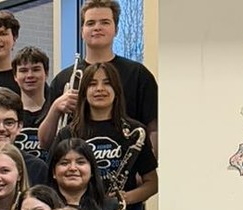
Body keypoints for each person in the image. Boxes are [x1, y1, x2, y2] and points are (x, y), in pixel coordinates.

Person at [43, 0, 158, 155]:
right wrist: (56, 107)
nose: (97, 27)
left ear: (116, 29)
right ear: (82, 31)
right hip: (75, 172)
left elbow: (154, 129)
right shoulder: (63, 79)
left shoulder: (138, 74)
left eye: (104, 22)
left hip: (127, 171)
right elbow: (44, 142)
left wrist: (146, 167)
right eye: (90, 23)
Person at [49, 62, 158, 206]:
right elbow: (51, 179)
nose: (100, 89)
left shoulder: (135, 133)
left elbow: (152, 183)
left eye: (107, 83)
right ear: (84, 92)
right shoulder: (68, 133)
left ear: (116, 90)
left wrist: (125, 199)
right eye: (92, 84)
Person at [12, 46, 52, 162]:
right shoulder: (9, 113)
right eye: (23, 71)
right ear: (15, 76)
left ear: (46, 73)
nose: (30, 75)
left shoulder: (56, 112)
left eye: (36, 69)